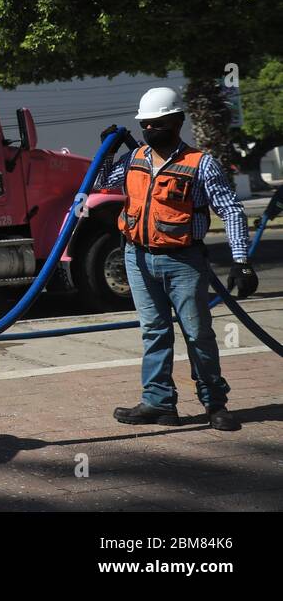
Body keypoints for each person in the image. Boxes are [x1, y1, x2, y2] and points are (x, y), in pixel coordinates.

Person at [98, 87, 257, 431]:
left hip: (184, 261)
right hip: (137, 258)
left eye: (158, 123)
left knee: (197, 333)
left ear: (176, 122)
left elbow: (230, 210)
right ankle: (158, 404)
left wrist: (241, 261)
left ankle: (215, 403)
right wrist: (107, 152)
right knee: (154, 331)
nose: (151, 129)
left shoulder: (201, 164)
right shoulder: (134, 158)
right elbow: (102, 183)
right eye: (146, 124)